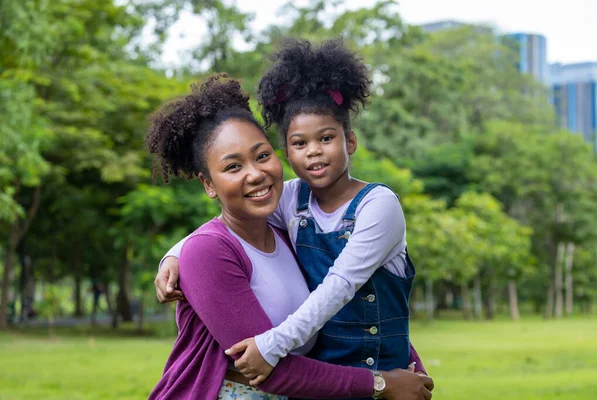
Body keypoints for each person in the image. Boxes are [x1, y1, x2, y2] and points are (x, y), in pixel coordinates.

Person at [146, 73, 433, 400]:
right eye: (233, 167)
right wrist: (175, 254)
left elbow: (348, 291)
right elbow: (211, 240)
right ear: (208, 184)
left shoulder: (293, 217)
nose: (255, 174)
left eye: (262, 156)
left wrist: (405, 364)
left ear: (349, 141)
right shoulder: (279, 212)